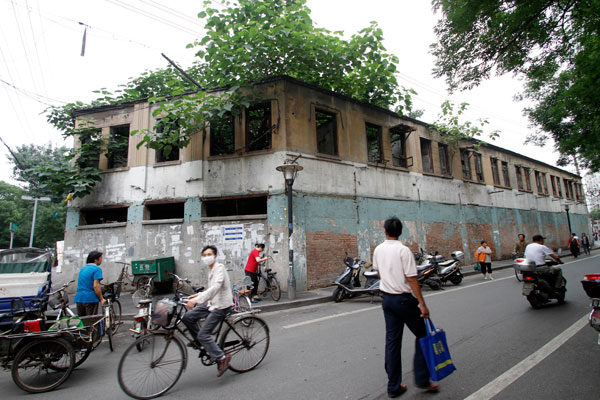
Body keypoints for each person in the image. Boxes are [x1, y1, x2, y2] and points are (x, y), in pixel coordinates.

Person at [372, 217, 439, 398]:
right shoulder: (403, 251)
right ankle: (422, 379)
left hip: (387, 300)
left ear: (385, 231)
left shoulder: (378, 249)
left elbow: (379, 272)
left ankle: (393, 386)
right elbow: (411, 278)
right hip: (403, 300)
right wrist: (422, 304)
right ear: (400, 232)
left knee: (392, 343)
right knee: (423, 335)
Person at [182, 245, 233, 377]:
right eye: (204, 255)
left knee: (203, 334)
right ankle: (201, 342)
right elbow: (210, 289)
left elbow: (216, 287)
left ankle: (221, 357)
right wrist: (197, 296)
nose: (206, 257)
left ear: (215, 256)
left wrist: (197, 300)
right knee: (187, 317)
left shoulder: (219, 268)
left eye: (209, 254)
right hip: (211, 303)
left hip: (221, 305)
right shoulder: (210, 269)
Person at [74, 250, 106, 316]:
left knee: (82, 322)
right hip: (90, 298)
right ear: (95, 260)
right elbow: (96, 285)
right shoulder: (97, 269)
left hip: (79, 298)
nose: (101, 260)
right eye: (100, 258)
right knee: (91, 321)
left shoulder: (83, 268)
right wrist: (101, 299)